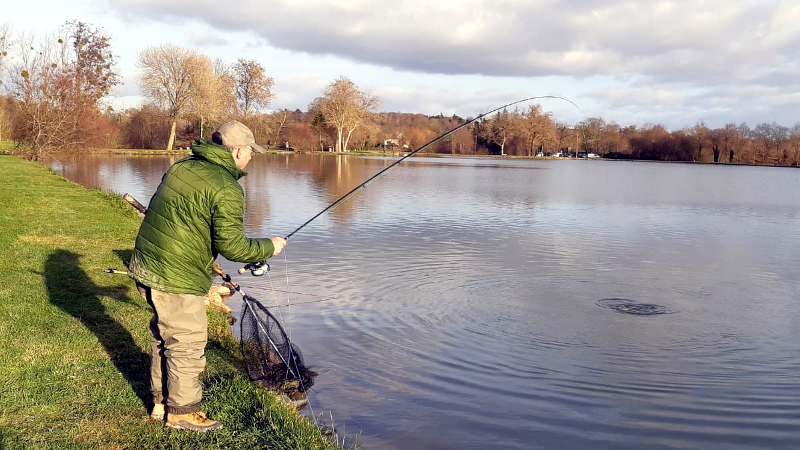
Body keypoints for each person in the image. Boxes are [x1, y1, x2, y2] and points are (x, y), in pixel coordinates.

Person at [129, 120, 286, 432]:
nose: (253, 156)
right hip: (175, 276)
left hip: (146, 266)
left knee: (165, 337)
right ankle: (182, 413)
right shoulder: (226, 187)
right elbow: (233, 246)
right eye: (252, 151)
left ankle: (162, 403)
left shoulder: (182, 167)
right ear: (238, 151)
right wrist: (269, 246)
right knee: (186, 343)